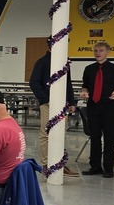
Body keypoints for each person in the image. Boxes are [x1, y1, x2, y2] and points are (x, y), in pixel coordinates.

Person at [79, 41, 114, 178]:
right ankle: (95, 166)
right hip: (93, 105)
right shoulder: (89, 69)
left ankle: (109, 168)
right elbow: (85, 85)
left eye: (101, 51)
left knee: (110, 138)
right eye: (95, 51)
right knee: (95, 137)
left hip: (109, 106)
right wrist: (84, 92)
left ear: (108, 52)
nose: (97, 53)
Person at [29, 47, 78, 177]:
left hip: (62, 104)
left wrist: (71, 102)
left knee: (61, 133)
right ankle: (46, 164)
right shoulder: (42, 62)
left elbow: (68, 83)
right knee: (46, 133)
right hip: (47, 105)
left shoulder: (64, 63)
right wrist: (46, 100)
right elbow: (34, 83)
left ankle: (60, 163)